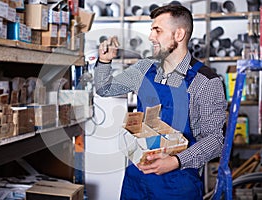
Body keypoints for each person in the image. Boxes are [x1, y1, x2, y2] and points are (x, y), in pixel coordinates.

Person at [94, 4, 227, 200]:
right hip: (136, 182)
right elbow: (104, 88)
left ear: (179, 34)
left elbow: (215, 140)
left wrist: (176, 161)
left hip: (177, 185)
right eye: (152, 30)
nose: (151, 37)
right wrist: (104, 62)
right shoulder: (143, 69)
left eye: (157, 30)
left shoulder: (205, 81)